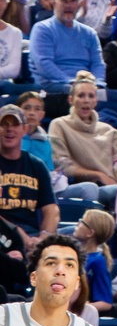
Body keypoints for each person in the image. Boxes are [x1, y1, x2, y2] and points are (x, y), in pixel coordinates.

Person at [49, 72, 117, 208]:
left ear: (96, 101)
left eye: (91, 96)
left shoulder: (110, 131)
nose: (86, 100)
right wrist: (99, 175)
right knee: (90, 188)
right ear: (71, 99)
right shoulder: (59, 125)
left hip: (111, 185)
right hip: (79, 186)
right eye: (81, 96)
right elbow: (63, 166)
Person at [27, 0, 105, 102]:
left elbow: (98, 63)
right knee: (81, 96)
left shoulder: (89, 33)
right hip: (53, 86)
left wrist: (97, 83)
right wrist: (71, 82)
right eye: (64, 1)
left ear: (78, 5)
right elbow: (44, 64)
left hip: (86, 86)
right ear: (54, 3)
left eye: (73, 1)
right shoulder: (42, 29)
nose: (68, 5)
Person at [0, 103, 57, 253]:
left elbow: (51, 209)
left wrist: (43, 238)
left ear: (25, 129)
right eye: (4, 124)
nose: (9, 129)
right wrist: (18, 233)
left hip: (32, 238)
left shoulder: (36, 166)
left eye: (15, 124)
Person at [72, 209, 115, 315]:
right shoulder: (72, 253)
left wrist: (72, 309)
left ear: (90, 233)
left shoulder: (98, 262)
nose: (78, 223)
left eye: (82, 221)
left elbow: (105, 303)